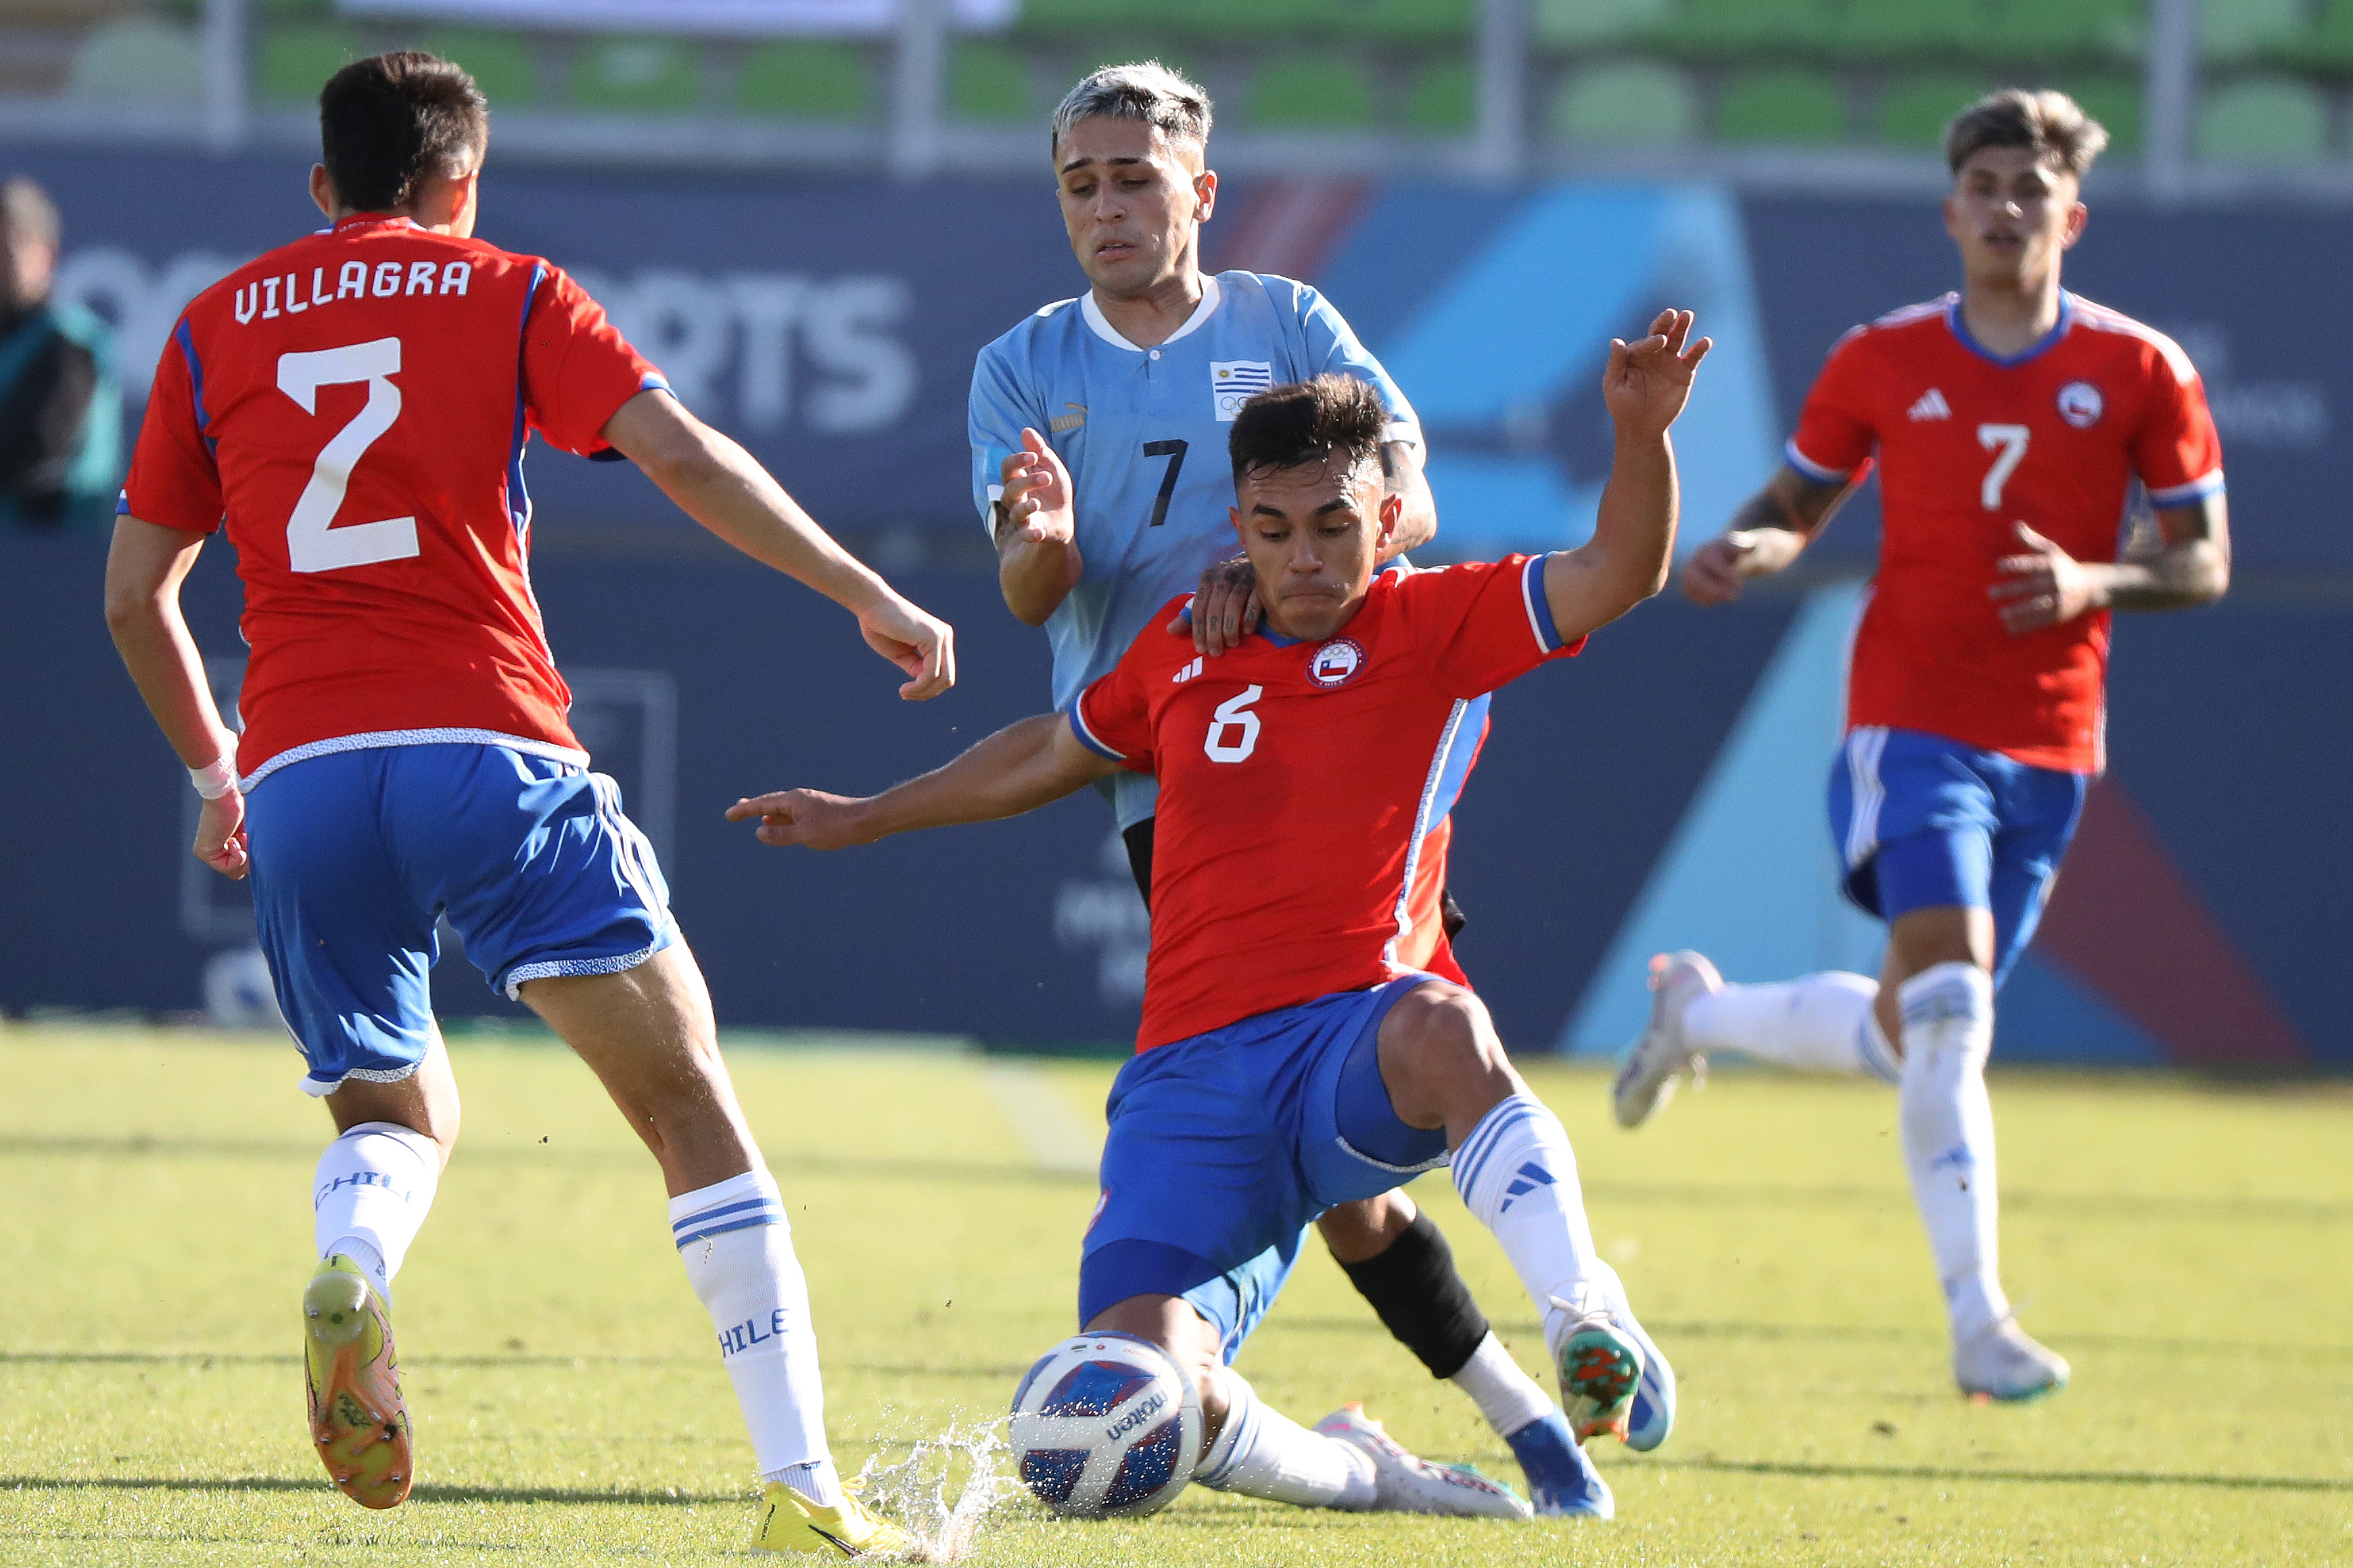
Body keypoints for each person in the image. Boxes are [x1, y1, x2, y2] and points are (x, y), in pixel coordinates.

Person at [101, 52, 950, 1555]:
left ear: (323, 187)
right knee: (685, 1101)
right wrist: (861, 586)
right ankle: (803, 1483)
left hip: (301, 778)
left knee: (397, 1108)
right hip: (489, 752)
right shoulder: (507, 289)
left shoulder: (208, 324)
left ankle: (356, 1264)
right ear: (462, 184)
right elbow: (677, 453)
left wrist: (218, 772)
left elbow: (131, 600)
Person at [737, 325, 1708, 1520]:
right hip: (1188, 1087)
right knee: (1129, 1401)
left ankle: (1584, 1312)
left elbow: (1620, 568)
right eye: (1273, 528)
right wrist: (867, 815)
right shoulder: (1184, 647)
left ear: (1387, 513)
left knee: (1444, 1029)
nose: (1302, 557)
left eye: (1332, 526)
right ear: (1237, 524)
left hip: (1351, 1042)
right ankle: (1380, 1477)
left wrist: (1637, 434)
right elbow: (1049, 749)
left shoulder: (1436, 626)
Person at [966, 60, 1623, 1510]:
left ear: (1197, 190)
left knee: (1365, 1123)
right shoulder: (1018, 366)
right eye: (1079, 183)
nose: (1105, 207)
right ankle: (1498, 1424)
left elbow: (1413, 502)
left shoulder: (1285, 323)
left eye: (1133, 178)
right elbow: (1026, 596)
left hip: (1337, 734)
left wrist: (1265, 585)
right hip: (1170, 778)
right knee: (1350, 1163)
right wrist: (1046, 546)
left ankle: (1509, 1394)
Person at [1612, 89, 2228, 1402]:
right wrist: (1748, 547)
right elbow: (1792, 507)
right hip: (1912, 720)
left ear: (2071, 211)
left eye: (2030, 188)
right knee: (1951, 1010)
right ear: (1949, 211)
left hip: (2053, 743)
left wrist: (2088, 582)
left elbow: (2200, 560)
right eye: (1984, 186)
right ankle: (1976, 1322)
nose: (2006, 208)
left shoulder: (2141, 369)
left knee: (1912, 1032)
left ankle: (1696, 1008)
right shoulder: (1879, 358)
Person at [0, 174, 120, 527]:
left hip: (57, 560)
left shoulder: (70, 344)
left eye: (7, 249)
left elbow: (32, 452)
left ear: (47, 254)